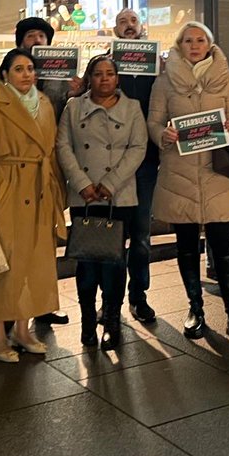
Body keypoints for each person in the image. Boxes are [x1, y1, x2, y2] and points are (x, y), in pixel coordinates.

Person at [148, 22, 229, 346]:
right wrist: (162, 134)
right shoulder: (164, 81)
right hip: (179, 172)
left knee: (223, 248)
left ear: (209, 45)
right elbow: (154, 121)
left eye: (200, 40)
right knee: (186, 246)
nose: (194, 45)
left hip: (215, 172)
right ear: (179, 45)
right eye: (188, 40)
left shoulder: (224, 78)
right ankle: (195, 309)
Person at [0, 49, 66, 362]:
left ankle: (23, 330)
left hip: (38, 191)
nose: (26, 74)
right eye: (19, 69)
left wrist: (57, 195)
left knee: (34, 266)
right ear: (5, 74)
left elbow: (51, 153)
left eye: (30, 68)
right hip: (5, 192)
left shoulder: (45, 103)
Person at [57, 54, 148, 351]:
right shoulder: (73, 107)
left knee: (114, 262)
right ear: (90, 77)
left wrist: (110, 183)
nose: (104, 78)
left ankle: (111, 320)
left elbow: (138, 148)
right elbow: (63, 146)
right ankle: (86, 322)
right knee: (86, 263)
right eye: (98, 73)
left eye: (110, 73)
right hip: (84, 196)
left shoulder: (132, 108)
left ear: (117, 78)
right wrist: (82, 184)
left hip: (118, 196)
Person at [14, 16, 80, 326]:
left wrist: (77, 92)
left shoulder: (61, 75)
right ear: (20, 41)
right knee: (17, 242)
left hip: (50, 167)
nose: (37, 40)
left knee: (46, 241)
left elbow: (69, 116)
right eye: (31, 35)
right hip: (17, 171)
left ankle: (43, 304)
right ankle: (14, 308)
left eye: (42, 36)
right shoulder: (8, 73)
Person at [112, 8, 160, 323]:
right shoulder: (104, 65)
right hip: (112, 164)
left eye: (133, 21)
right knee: (114, 236)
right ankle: (111, 301)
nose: (129, 26)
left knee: (141, 236)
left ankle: (138, 297)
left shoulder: (156, 66)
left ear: (141, 27)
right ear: (114, 30)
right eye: (123, 22)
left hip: (145, 162)